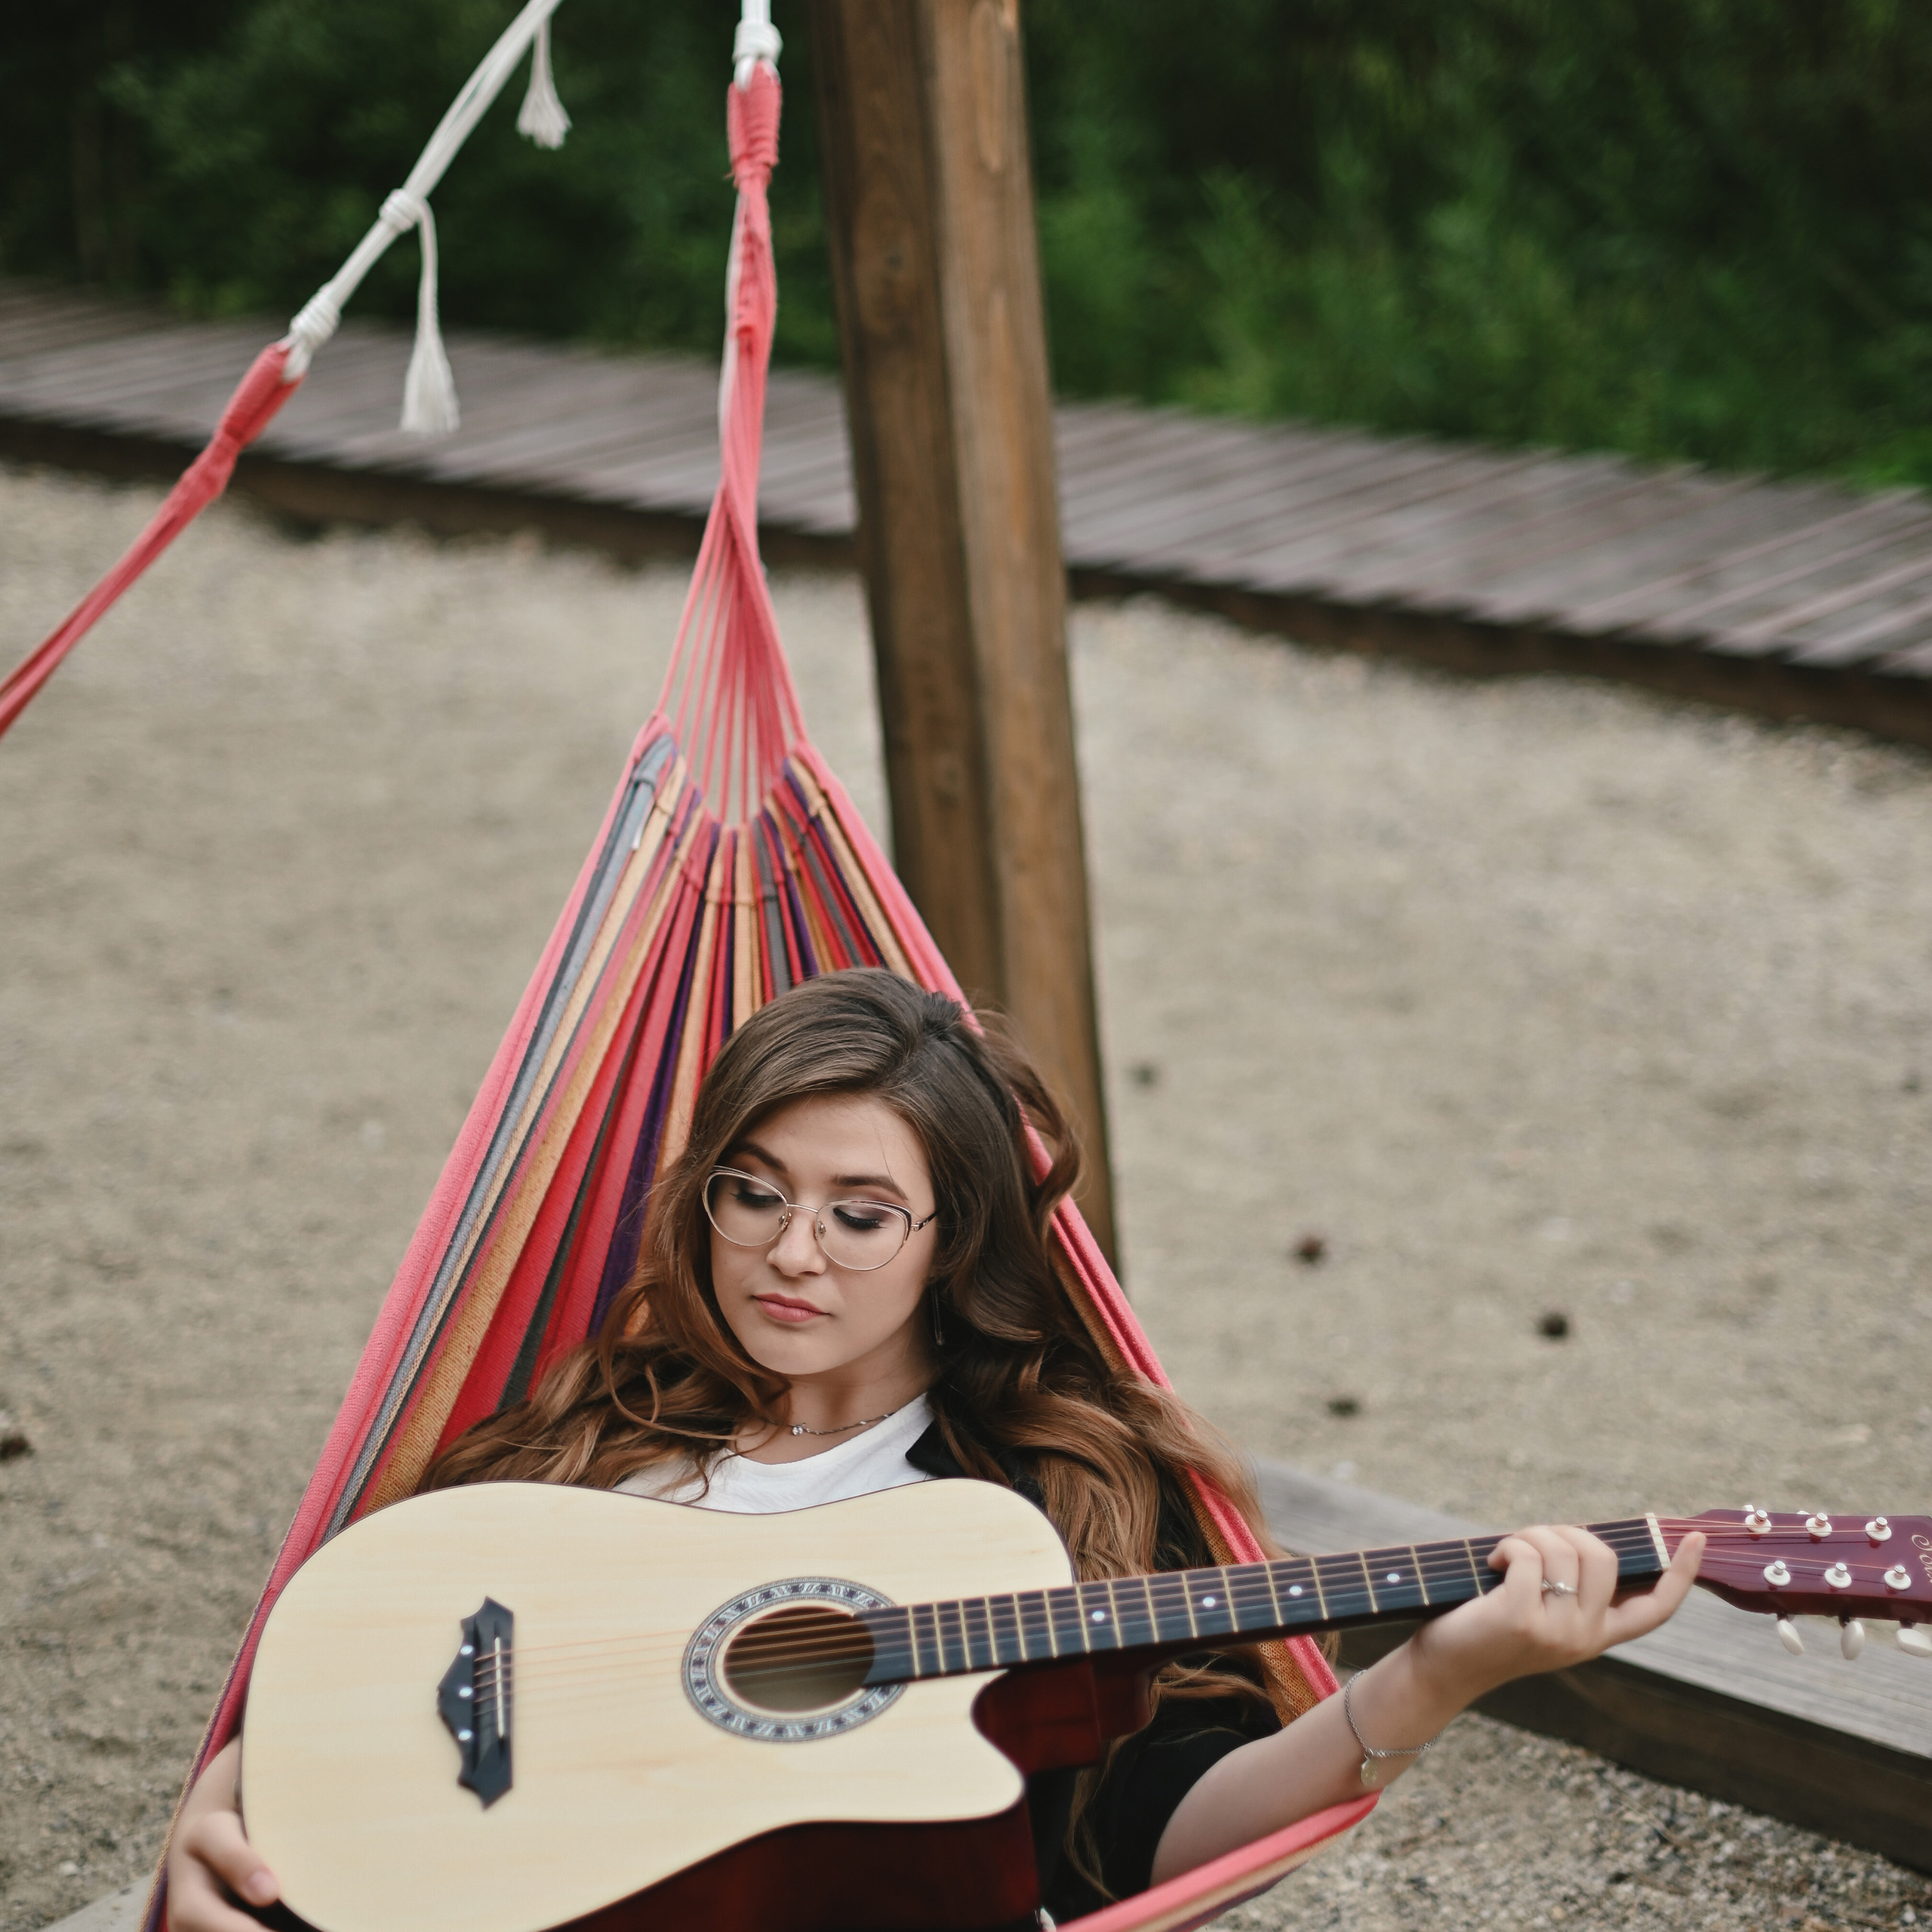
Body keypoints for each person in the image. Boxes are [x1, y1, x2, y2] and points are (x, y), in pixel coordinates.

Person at [166, 967, 1703, 1930]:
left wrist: (1439, 1670)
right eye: (752, 1190)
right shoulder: (606, 1430)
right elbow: (378, 1641)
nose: (791, 1251)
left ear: (951, 1238)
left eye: (859, 1211)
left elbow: (1155, 1833)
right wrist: (226, 1793)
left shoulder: (1032, 1505)